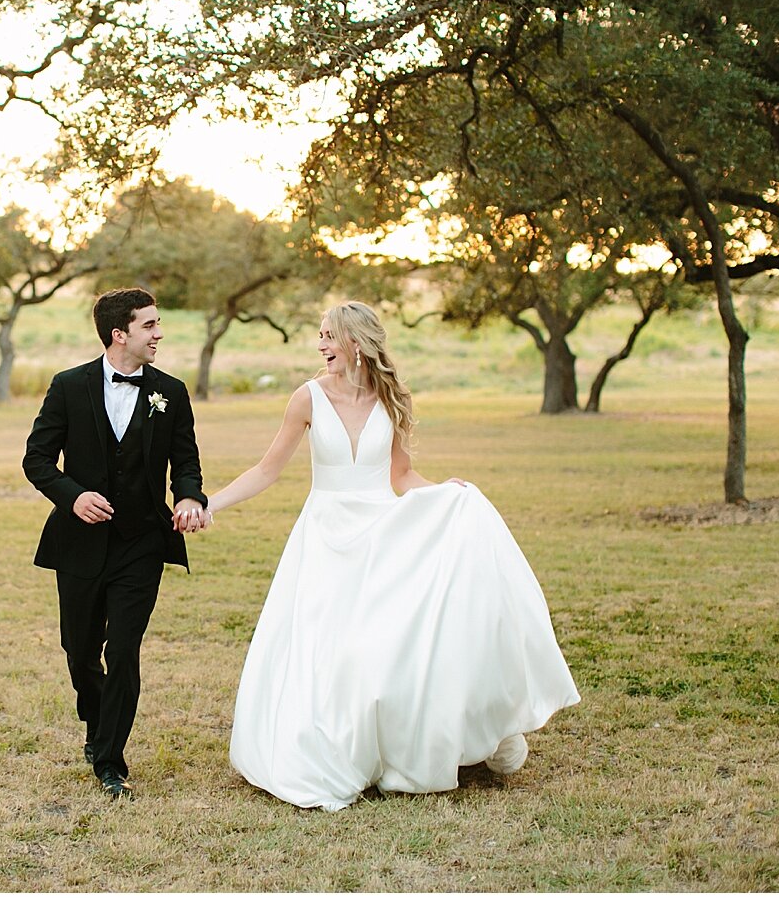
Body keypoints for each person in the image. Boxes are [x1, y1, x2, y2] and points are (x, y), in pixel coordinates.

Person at [202, 300, 580, 811]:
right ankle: (335, 749)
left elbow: (401, 476)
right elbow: (268, 470)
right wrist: (210, 504)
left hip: (384, 532)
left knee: (388, 644)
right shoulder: (307, 398)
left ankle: (431, 738)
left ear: (356, 341)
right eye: (319, 336)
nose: (321, 346)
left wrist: (444, 492)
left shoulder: (389, 397)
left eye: (328, 336)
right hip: (326, 536)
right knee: (330, 648)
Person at [22, 287, 210, 801]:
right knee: (80, 651)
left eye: (158, 323)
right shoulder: (68, 386)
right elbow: (36, 460)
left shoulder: (170, 391)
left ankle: (109, 758)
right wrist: (73, 496)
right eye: (149, 325)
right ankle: (96, 721)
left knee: (123, 650)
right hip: (79, 543)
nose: (159, 334)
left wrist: (190, 498)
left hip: (143, 542)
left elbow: (186, 462)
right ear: (118, 334)